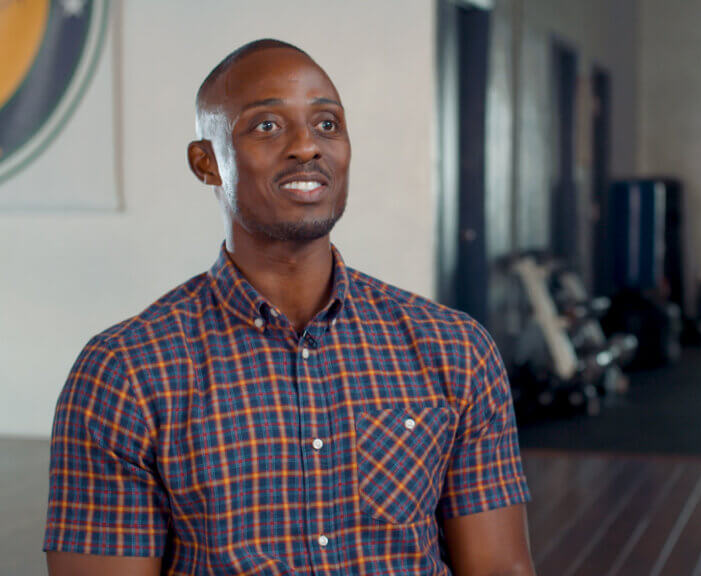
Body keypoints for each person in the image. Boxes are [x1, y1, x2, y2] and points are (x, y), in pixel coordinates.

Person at [43, 39, 534, 576]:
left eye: (327, 124)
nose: (307, 147)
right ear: (206, 164)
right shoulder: (125, 372)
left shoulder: (454, 348)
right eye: (267, 127)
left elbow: (499, 566)